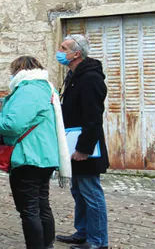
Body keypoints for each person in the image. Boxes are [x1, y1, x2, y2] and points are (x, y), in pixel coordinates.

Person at [0, 56, 71, 249]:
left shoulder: (28, 89)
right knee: (41, 205)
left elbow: (12, 125)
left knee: (30, 210)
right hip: (45, 155)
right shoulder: (45, 87)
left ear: (19, 70)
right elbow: (28, 119)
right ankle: (47, 245)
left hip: (28, 156)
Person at [54, 35, 109, 249]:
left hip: (86, 147)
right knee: (78, 191)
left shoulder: (90, 78)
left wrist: (83, 149)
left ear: (76, 54)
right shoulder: (73, 75)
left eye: (63, 48)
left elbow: (93, 117)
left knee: (91, 192)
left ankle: (98, 241)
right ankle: (83, 231)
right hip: (73, 143)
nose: (59, 51)